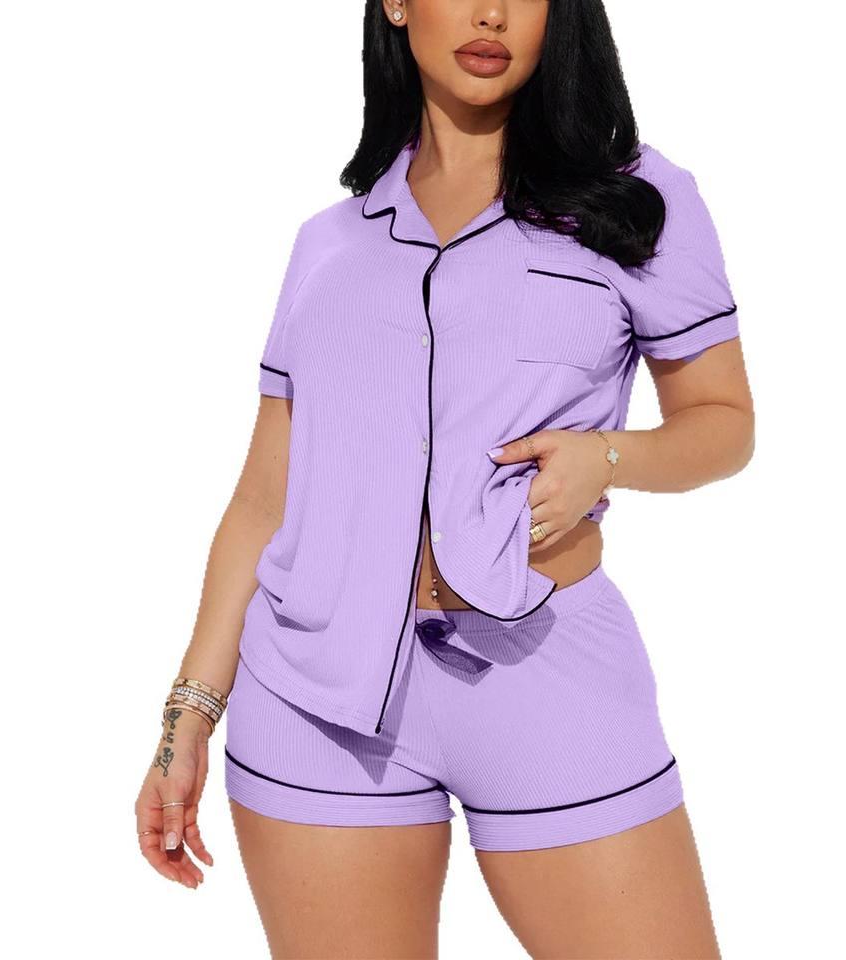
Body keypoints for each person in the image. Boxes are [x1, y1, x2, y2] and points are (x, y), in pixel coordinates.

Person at [135, 1, 754, 956]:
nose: (491, 13)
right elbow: (264, 500)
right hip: (314, 701)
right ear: (395, 2)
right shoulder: (332, 244)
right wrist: (187, 719)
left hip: (545, 669)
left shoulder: (635, 199)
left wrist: (609, 455)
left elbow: (724, 423)